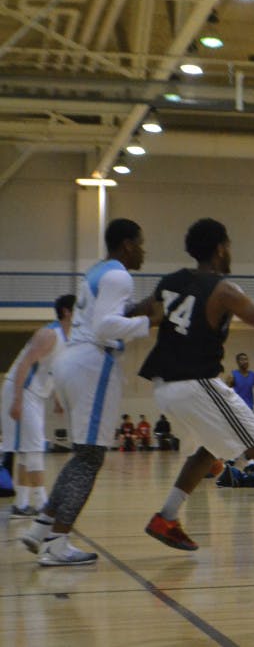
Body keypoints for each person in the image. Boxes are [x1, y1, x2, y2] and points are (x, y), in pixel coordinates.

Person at [138, 218, 254, 563]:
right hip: (197, 383)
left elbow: (140, 311)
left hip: (163, 385)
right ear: (220, 248)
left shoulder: (170, 282)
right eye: (229, 245)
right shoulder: (224, 290)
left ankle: (166, 517)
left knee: (208, 450)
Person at [21, 218, 151, 565]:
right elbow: (106, 327)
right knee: (91, 458)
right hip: (93, 364)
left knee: (82, 455)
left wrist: (137, 311)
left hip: (72, 361)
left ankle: (42, 526)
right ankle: (57, 543)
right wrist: (148, 323)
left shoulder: (97, 271)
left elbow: (106, 315)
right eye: (140, 243)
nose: (143, 250)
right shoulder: (119, 275)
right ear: (126, 245)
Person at [1, 294, 74, 517]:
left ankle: (22, 504)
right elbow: (24, 364)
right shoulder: (48, 334)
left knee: (25, 451)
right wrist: (17, 399)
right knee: (33, 448)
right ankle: (42, 502)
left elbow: (53, 372)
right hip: (22, 390)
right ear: (66, 312)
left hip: (36, 394)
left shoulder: (68, 337)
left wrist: (57, 399)